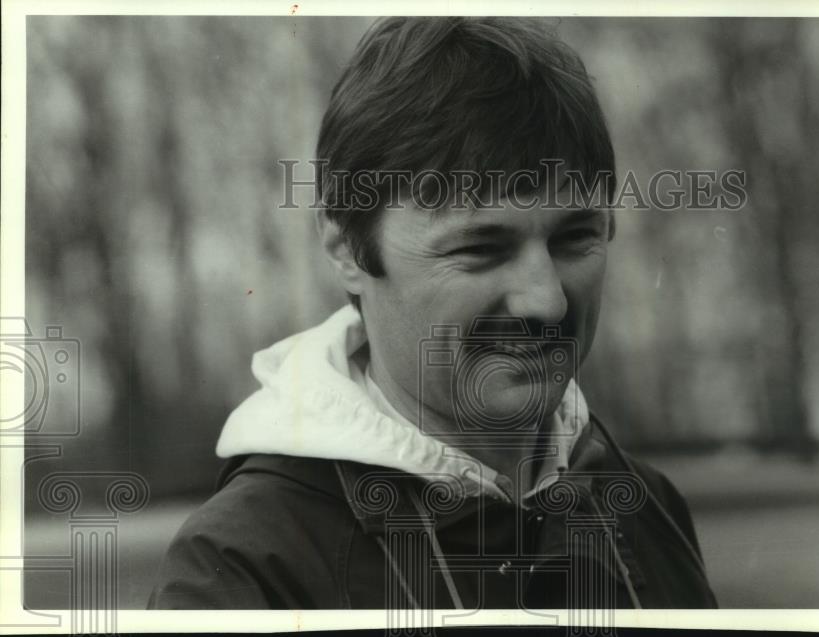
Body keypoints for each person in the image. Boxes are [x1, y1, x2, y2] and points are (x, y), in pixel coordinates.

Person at [148, 16, 717, 610]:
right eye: (480, 248)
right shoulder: (239, 570)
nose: (545, 300)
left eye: (575, 238)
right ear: (347, 248)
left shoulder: (649, 510)